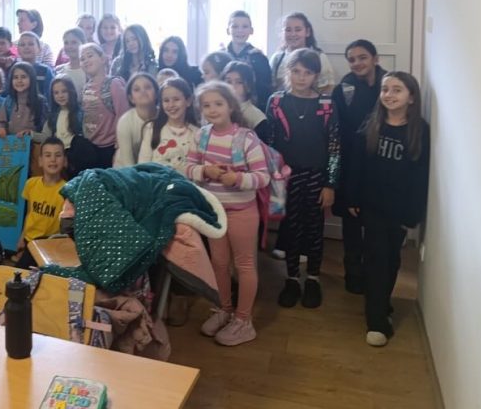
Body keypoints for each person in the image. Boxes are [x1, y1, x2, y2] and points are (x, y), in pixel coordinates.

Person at [347, 71, 430, 348]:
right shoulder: (371, 123)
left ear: (411, 97)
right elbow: (357, 165)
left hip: (398, 210)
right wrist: (353, 197)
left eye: (397, 90)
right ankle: (376, 321)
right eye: (385, 89)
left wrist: (413, 214)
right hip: (372, 207)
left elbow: (420, 176)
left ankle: (382, 303)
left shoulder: (420, 131)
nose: (389, 95)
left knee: (391, 260)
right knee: (376, 261)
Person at [185, 80, 270, 347]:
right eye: (206, 105)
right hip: (214, 212)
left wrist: (238, 179)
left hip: (242, 212)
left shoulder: (246, 138)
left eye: (218, 104)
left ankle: (244, 321)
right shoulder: (201, 136)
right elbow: (187, 167)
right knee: (219, 263)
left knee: (244, 265)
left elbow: (263, 176)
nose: (212, 110)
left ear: (231, 106)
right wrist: (204, 171)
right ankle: (224, 309)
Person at [265, 49, 340, 310]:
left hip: (317, 177)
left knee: (314, 229)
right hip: (287, 178)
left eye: (307, 73)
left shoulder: (327, 105)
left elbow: (335, 148)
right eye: (296, 71)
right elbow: (270, 145)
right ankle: (292, 278)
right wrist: (274, 180)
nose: (301, 77)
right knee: (291, 228)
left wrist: (330, 184)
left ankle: (313, 279)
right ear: (288, 72)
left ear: (316, 76)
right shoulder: (276, 102)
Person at [331, 39, 387, 295]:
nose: (357, 63)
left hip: (380, 159)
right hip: (351, 160)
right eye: (351, 59)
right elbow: (338, 126)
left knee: (376, 220)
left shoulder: (389, 84)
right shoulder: (344, 88)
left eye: (362, 57)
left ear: (375, 58)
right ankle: (352, 271)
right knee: (351, 221)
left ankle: (374, 272)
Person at [15, 137, 68, 267]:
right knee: (19, 274)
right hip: (29, 240)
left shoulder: (67, 190)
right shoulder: (31, 184)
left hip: (49, 245)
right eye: (48, 155)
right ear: (40, 161)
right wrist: (22, 238)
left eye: (58, 155)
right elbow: (29, 213)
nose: (53, 159)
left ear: (64, 161)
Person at [77, 42, 129, 169]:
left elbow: (123, 115)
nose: (86, 60)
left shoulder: (114, 84)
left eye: (90, 55)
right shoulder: (85, 87)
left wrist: (119, 146)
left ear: (103, 59)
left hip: (109, 147)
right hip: (90, 147)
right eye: (82, 59)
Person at [138, 77, 200, 175]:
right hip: (155, 182)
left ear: (188, 101)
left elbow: (197, 170)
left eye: (176, 99)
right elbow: (143, 165)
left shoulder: (197, 133)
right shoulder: (152, 128)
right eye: (166, 100)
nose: (171, 105)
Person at [269, 12, 336, 93]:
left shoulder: (319, 57)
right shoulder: (277, 58)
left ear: (307, 32)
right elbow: (271, 86)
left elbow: (327, 88)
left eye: (298, 30)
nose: (293, 34)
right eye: (288, 30)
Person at [221, 11, 273, 109]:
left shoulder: (259, 58)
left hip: (251, 107)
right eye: (235, 26)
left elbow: (265, 89)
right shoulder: (221, 57)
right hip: (224, 106)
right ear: (228, 30)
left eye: (245, 26)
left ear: (251, 30)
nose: (240, 30)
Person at [113, 72, 159, 167]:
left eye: (148, 87)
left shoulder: (163, 116)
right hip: (126, 168)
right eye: (137, 89)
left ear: (156, 94)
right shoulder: (125, 122)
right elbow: (127, 163)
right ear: (131, 98)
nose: (143, 91)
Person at [0, 62, 49, 145]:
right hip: (10, 145)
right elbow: (1, 121)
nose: (19, 81)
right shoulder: (9, 100)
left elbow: (46, 132)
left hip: (33, 145)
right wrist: (1, 128)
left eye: (23, 77)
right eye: (15, 77)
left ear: (31, 79)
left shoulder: (40, 102)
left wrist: (31, 134)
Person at [45, 78, 85, 177]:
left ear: (71, 91)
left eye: (64, 91)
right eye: (56, 93)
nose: (60, 96)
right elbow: (45, 135)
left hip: (76, 155)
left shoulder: (79, 113)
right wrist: (31, 134)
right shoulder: (53, 115)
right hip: (59, 155)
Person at [223, 61, 270, 142]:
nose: (232, 86)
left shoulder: (257, 117)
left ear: (248, 86)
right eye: (228, 82)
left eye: (239, 82)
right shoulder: (217, 108)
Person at [15, 32, 55, 99]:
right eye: (22, 45)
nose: (26, 47)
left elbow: (50, 95)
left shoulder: (45, 70)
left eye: (31, 44)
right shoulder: (14, 70)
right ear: (18, 50)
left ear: (39, 49)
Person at [55, 27, 87, 98]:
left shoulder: (88, 70)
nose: (69, 46)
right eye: (66, 43)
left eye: (74, 42)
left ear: (83, 44)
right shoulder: (59, 70)